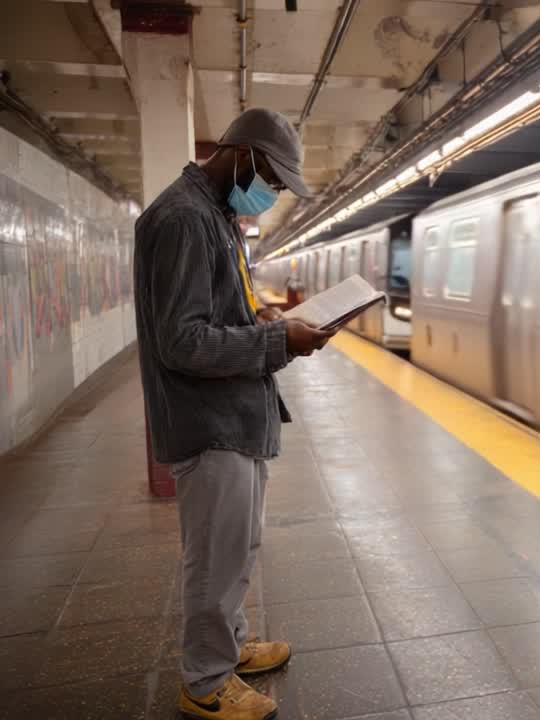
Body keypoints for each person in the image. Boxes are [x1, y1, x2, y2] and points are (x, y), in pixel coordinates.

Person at [133, 107, 335, 720]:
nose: (270, 193)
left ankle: (230, 645)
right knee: (214, 557)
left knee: (237, 547)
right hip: (209, 420)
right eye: (271, 179)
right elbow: (183, 341)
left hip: (237, 414)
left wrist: (265, 323)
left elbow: (218, 314)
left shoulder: (216, 217)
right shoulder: (183, 219)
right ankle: (206, 683)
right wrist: (280, 343)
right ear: (243, 155)